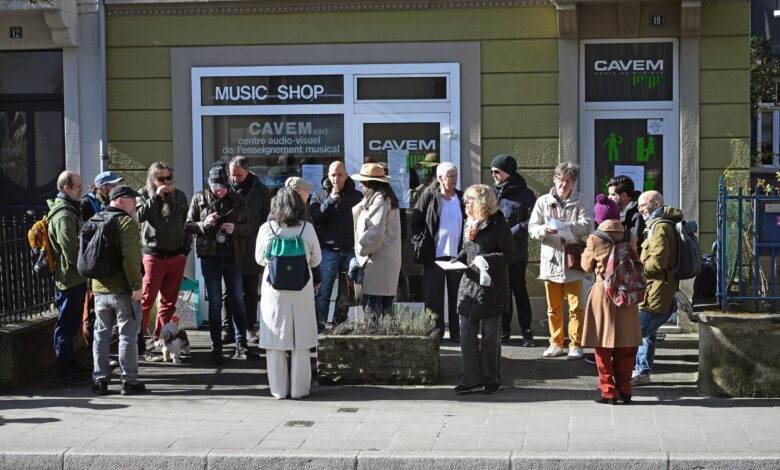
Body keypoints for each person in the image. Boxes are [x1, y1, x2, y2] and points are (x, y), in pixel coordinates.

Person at [186, 164, 257, 364]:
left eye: (223, 186)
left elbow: (249, 226)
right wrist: (203, 224)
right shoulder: (199, 198)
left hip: (233, 256)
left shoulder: (237, 199)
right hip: (210, 258)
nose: (220, 191)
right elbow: (187, 226)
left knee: (238, 300)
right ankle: (216, 347)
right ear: (209, 184)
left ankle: (241, 345)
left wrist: (236, 228)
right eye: (217, 187)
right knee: (216, 302)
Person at [255, 187, 322, 399]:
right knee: (300, 342)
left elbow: (259, 258)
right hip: (301, 288)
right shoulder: (307, 229)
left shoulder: (267, 229)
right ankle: (299, 390)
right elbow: (316, 259)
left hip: (274, 290)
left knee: (275, 343)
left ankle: (278, 390)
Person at [528, 162, 594, 360]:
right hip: (552, 261)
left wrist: (566, 227)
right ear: (554, 179)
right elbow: (532, 228)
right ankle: (556, 343)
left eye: (567, 181)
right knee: (553, 308)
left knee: (576, 308)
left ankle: (576, 345)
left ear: (573, 182)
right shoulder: (543, 201)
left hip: (573, 261)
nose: (563, 185)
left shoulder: (581, 200)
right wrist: (544, 230)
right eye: (560, 180)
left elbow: (588, 224)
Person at [453, 184, 515, 394]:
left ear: (481, 202)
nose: (465, 202)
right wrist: (458, 259)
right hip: (469, 286)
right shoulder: (468, 222)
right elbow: (467, 250)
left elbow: (509, 254)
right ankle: (470, 378)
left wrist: (485, 260)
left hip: (492, 288)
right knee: (467, 335)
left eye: (469, 199)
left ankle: (490, 379)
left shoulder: (498, 223)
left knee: (490, 337)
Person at [580, 194, 642, 404]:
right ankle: (625, 390)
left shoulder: (595, 238)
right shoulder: (630, 235)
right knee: (626, 346)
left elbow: (586, 266)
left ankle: (608, 392)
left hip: (603, 292)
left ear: (598, 218)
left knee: (603, 346)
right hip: (626, 293)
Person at [90, 185, 147, 396]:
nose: (135, 205)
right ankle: (129, 381)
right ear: (121, 200)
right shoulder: (126, 222)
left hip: (99, 288)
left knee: (101, 335)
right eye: (133, 200)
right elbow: (132, 259)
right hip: (123, 289)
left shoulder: (95, 219)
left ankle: (99, 380)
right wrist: (137, 286)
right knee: (127, 335)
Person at [136, 162, 191, 360]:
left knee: (169, 302)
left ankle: (162, 339)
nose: (166, 182)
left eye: (169, 178)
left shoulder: (180, 195)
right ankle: (140, 343)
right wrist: (156, 196)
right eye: (161, 179)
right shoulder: (143, 194)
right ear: (153, 180)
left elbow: (187, 222)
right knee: (147, 300)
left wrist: (185, 250)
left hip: (176, 255)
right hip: (154, 255)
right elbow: (139, 216)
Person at [631, 190, 681, 386]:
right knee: (646, 334)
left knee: (636, 332)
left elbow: (658, 262)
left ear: (657, 203)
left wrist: (637, 269)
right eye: (640, 205)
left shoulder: (659, 227)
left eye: (644, 204)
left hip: (657, 289)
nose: (640, 208)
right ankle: (642, 372)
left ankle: (634, 370)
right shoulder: (657, 225)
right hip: (657, 288)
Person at [411, 162, 465, 342]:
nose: (454, 179)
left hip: (457, 255)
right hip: (434, 255)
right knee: (434, 298)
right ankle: (436, 335)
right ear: (440, 178)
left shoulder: (462, 197)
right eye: (451, 176)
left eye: (455, 175)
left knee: (458, 296)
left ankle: (458, 334)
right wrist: (421, 240)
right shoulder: (429, 197)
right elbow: (416, 221)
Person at [221, 156, 271, 345]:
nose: (234, 179)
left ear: (248, 171)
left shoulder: (261, 190)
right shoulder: (225, 189)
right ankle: (228, 329)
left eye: (238, 175)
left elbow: (267, 219)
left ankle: (249, 327)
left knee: (250, 290)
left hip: (251, 246)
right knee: (228, 291)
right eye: (232, 175)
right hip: (228, 246)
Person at [490, 154, 537, 346]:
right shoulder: (491, 192)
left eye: (496, 171)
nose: (493, 175)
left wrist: (510, 232)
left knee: (519, 290)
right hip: (497, 251)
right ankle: (504, 330)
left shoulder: (526, 194)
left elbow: (531, 221)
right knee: (502, 292)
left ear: (507, 172)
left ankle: (527, 331)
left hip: (517, 252)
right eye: (492, 171)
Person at [47, 171, 90, 385]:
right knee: (65, 325)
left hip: (75, 278)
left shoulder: (71, 210)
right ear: (66, 188)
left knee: (72, 324)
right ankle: (64, 368)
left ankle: (71, 362)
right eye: (78, 186)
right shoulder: (63, 215)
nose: (81, 189)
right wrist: (87, 269)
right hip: (69, 279)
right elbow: (71, 251)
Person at [310, 161, 363, 331]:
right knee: (323, 291)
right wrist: (330, 201)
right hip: (328, 250)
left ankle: (339, 323)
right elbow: (315, 218)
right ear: (328, 174)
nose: (335, 178)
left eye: (339, 175)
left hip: (349, 250)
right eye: (333, 174)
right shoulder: (319, 195)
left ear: (346, 175)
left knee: (346, 291)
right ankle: (319, 326)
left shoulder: (356, 196)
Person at [351, 162, 402, 314]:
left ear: (370, 183)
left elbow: (375, 233)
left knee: (373, 312)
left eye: (363, 181)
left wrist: (360, 250)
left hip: (377, 263)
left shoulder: (379, 200)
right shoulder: (383, 198)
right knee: (383, 312)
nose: (360, 185)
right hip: (383, 262)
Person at [607, 175, 645, 255]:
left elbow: (635, 245)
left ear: (623, 196)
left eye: (613, 195)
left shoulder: (637, 215)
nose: (609, 197)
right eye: (609, 194)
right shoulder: (618, 211)